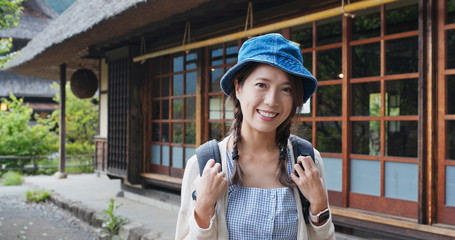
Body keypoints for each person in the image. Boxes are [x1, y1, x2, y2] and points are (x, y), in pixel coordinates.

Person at [175, 33, 335, 239]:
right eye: (262, 85)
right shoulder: (205, 165)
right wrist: (203, 209)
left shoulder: (307, 161)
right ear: (238, 87)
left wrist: (320, 207)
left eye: (286, 89)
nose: (272, 100)